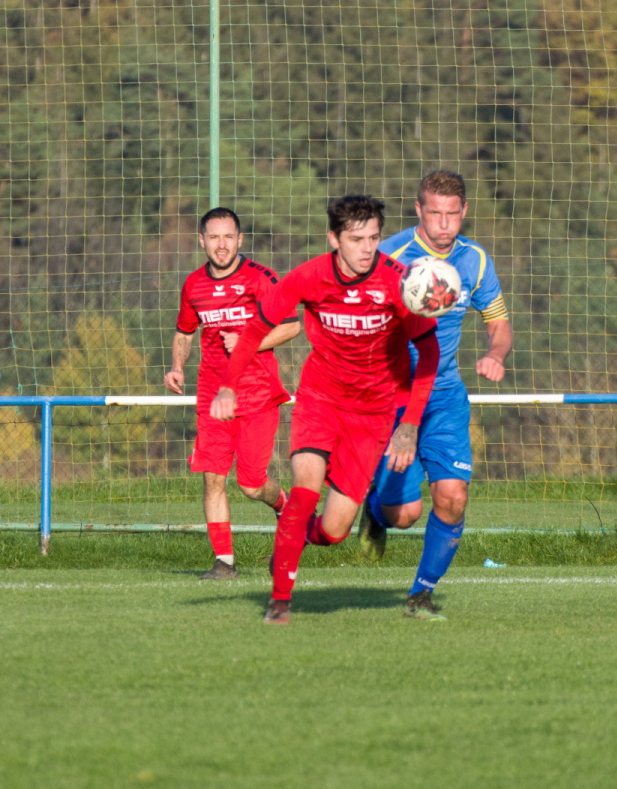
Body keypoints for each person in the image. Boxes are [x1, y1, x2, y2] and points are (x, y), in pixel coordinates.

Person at [212, 195, 440, 624]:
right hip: (321, 400)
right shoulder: (309, 276)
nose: (367, 249)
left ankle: (295, 538)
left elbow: (429, 352)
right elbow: (255, 329)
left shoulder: (399, 283)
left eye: (373, 238)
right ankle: (279, 603)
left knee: (333, 531)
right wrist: (227, 386)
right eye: (356, 239)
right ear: (334, 239)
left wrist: (409, 424)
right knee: (303, 491)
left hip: (372, 415)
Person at [359, 170, 512, 621]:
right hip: (392, 397)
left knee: (453, 496)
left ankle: (420, 595)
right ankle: (375, 510)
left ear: (464, 211)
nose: (444, 224)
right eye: (434, 213)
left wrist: (496, 354)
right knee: (404, 514)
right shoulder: (389, 257)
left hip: (443, 396)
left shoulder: (475, 261)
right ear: (418, 210)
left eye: (452, 214)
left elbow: (499, 323)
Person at [165, 207, 300, 580]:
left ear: (240, 239)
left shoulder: (261, 278)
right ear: (202, 241)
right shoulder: (193, 285)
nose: (221, 245)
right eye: (214, 237)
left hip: (257, 396)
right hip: (213, 399)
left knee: (251, 485)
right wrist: (177, 366)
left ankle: (284, 506)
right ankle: (224, 563)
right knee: (212, 478)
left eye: (228, 237)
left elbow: (291, 326)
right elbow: (184, 332)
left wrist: (248, 342)